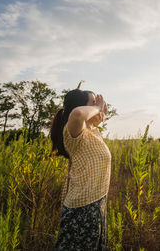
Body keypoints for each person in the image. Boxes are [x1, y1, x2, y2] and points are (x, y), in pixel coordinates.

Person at [50, 89, 111, 251]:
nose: (96, 105)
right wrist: (98, 108)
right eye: (92, 102)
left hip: (96, 205)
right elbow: (77, 114)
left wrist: (96, 118)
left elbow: (86, 120)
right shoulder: (73, 132)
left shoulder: (91, 132)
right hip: (82, 209)